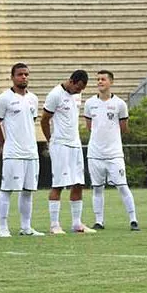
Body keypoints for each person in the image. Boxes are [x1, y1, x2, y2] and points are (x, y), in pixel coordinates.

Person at [0, 63, 44, 237]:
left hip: (31, 152)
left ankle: (26, 227)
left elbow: (31, 121)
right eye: (20, 74)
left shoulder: (33, 99)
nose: (24, 77)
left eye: (26, 74)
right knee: (7, 189)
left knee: (28, 191)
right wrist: (3, 143)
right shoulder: (4, 98)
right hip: (13, 152)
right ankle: (3, 227)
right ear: (12, 77)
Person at [41, 70, 96, 234]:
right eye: (78, 87)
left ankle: (77, 224)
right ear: (72, 81)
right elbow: (45, 119)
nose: (80, 91)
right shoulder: (55, 95)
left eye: (82, 89)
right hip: (60, 145)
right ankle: (54, 225)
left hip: (75, 144)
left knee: (78, 183)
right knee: (58, 184)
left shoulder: (77, 95)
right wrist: (50, 139)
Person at [84, 70, 140, 231]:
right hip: (95, 154)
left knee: (122, 186)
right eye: (98, 79)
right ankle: (99, 221)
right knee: (97, 188)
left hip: (114, 154)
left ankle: (133, 220)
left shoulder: (120, 104)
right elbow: (90, 126)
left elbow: (124, 128)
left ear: (111, 82)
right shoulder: (89, 104)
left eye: (103, 79)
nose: (100, 82)